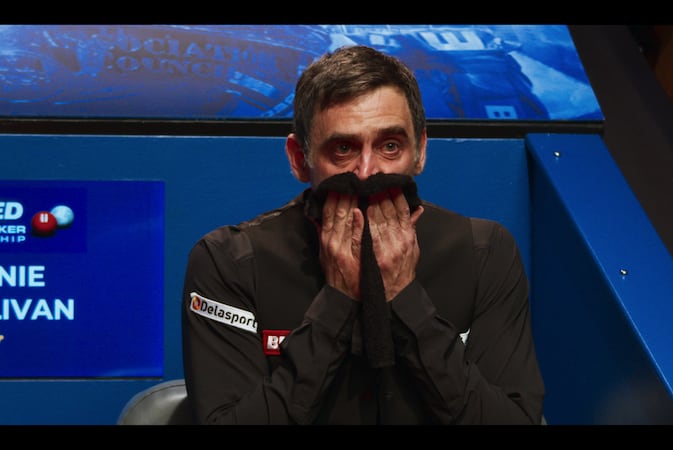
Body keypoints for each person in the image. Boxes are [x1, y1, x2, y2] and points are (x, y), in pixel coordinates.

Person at [181, 44, 546, 425]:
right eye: (343, 148)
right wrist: (336, 303)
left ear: (420, 151)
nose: (368, 171)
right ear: (298, 158)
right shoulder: (229, 262)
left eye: (390, 146)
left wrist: (407, 301)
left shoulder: (483, 253)